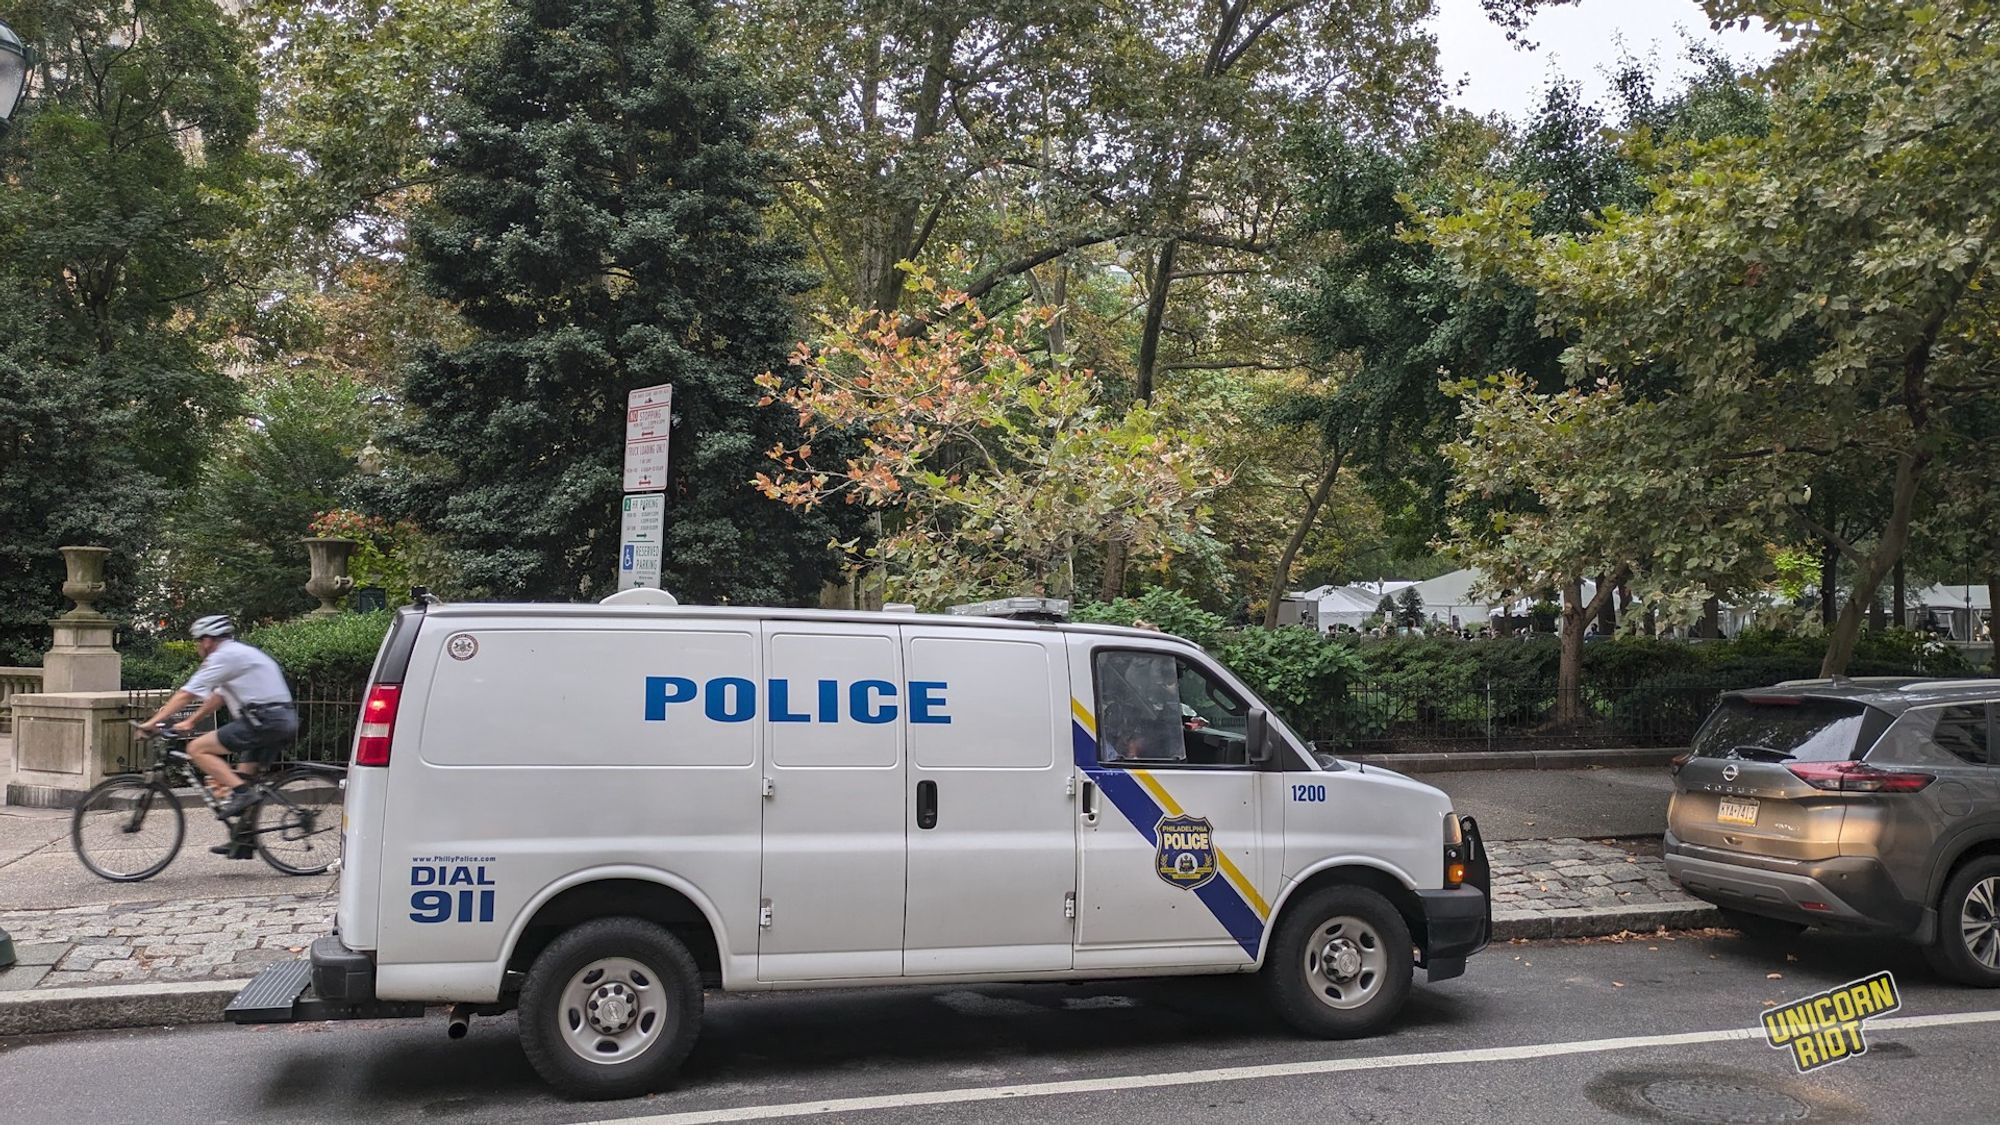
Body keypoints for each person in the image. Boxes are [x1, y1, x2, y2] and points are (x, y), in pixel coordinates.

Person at [139, 615, 297, 829]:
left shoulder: (222, 657)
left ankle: (242, 794)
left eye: (198, 641)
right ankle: (242, 840)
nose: (197, 647)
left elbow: (186, 694)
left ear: (208, 640)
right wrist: (191, 721)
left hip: (264, 719)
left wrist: (152, 722)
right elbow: (218, 697)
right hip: (278, 719)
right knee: (243, 777)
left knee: (197, 749)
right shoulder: (238, 654)